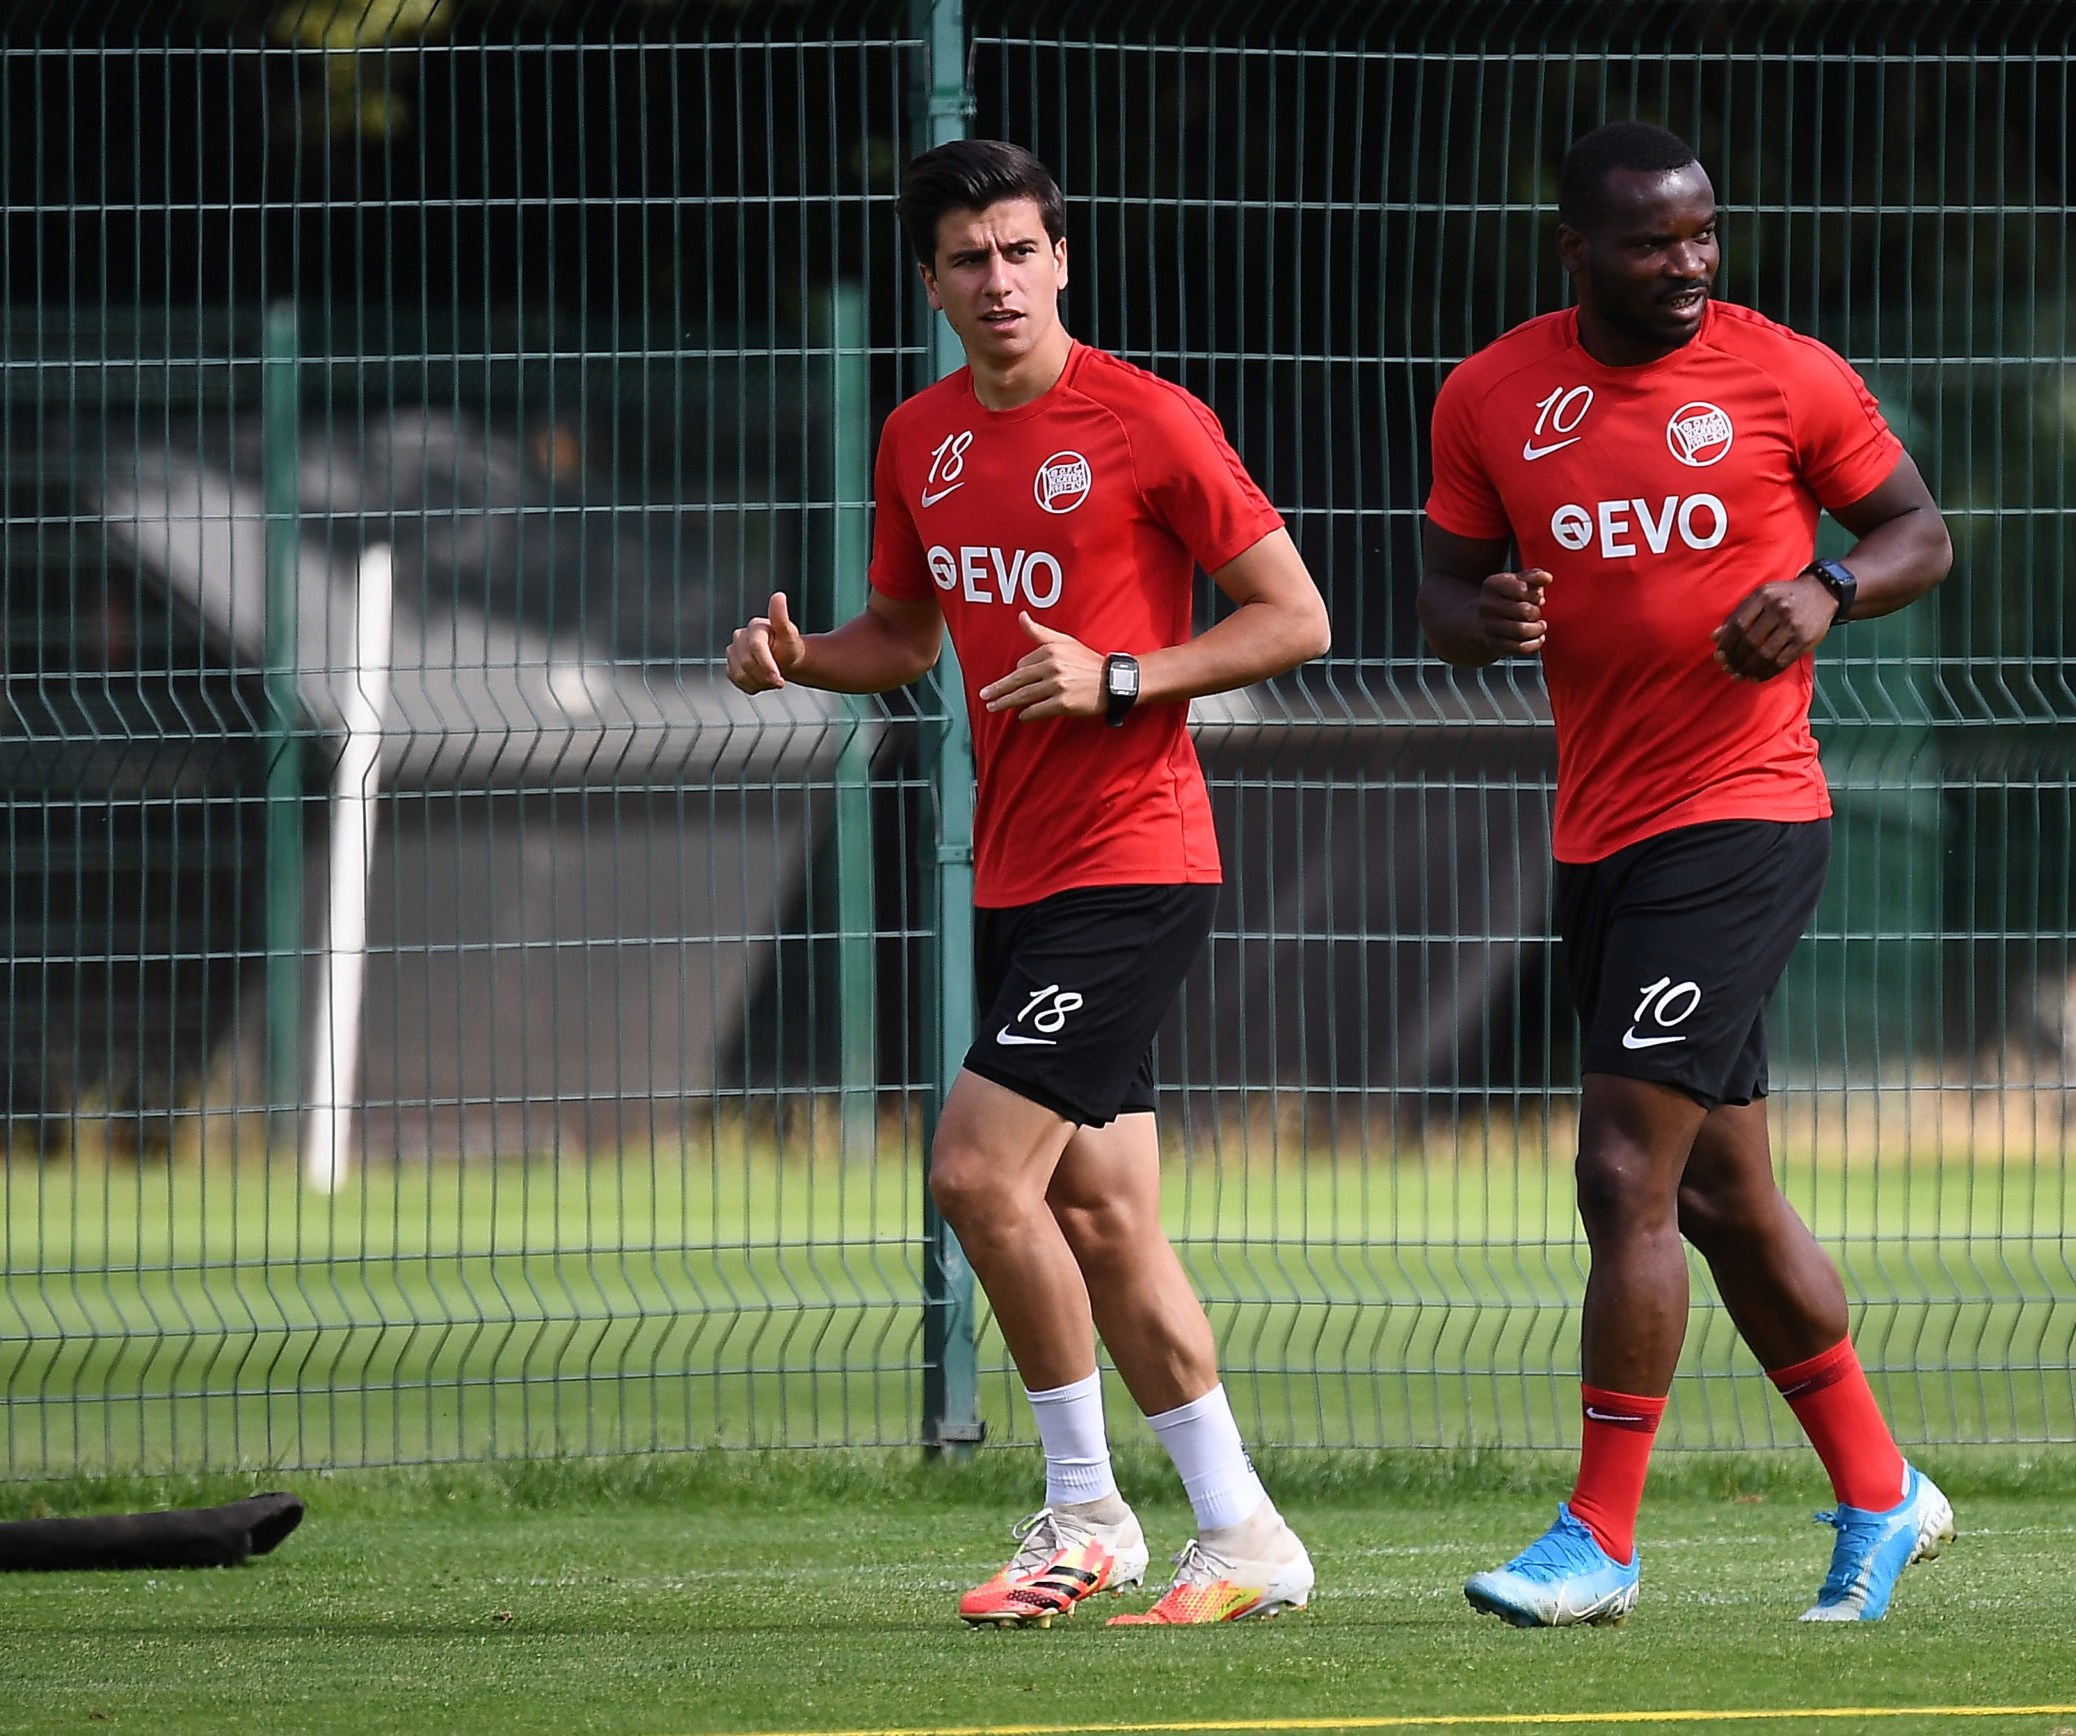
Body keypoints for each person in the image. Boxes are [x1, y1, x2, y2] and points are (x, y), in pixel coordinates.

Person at [725, 139, 1330, 1627]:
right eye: (965, 259)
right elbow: (902, 637)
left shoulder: (1147, 422)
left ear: (1061, 260)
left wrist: (1122, 674)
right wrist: (800, 661)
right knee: (1104, 1216)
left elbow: (1295, 618)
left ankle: (1086, 1514)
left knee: (974, 1177)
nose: (996, 280)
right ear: (929, 286)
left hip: (1135, 859)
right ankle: (1245, 1534)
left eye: (1017, 251)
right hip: (1022, 867)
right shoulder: (918, 436)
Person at [1417, 120, 1957, 1626]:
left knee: (1620, 1172)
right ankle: (1881, 1492)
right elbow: (1442, 587)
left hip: (1745, 817)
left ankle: (1598, 1538)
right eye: (1652, 241)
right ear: (1575, 251)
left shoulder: (1787, 375)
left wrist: (1828, 585)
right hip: (1600, 832)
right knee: (1722, 1195)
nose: (1688, 263)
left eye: (1702, 233)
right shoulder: (1490, 393)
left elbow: (1918, 533)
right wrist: (1482, 619)